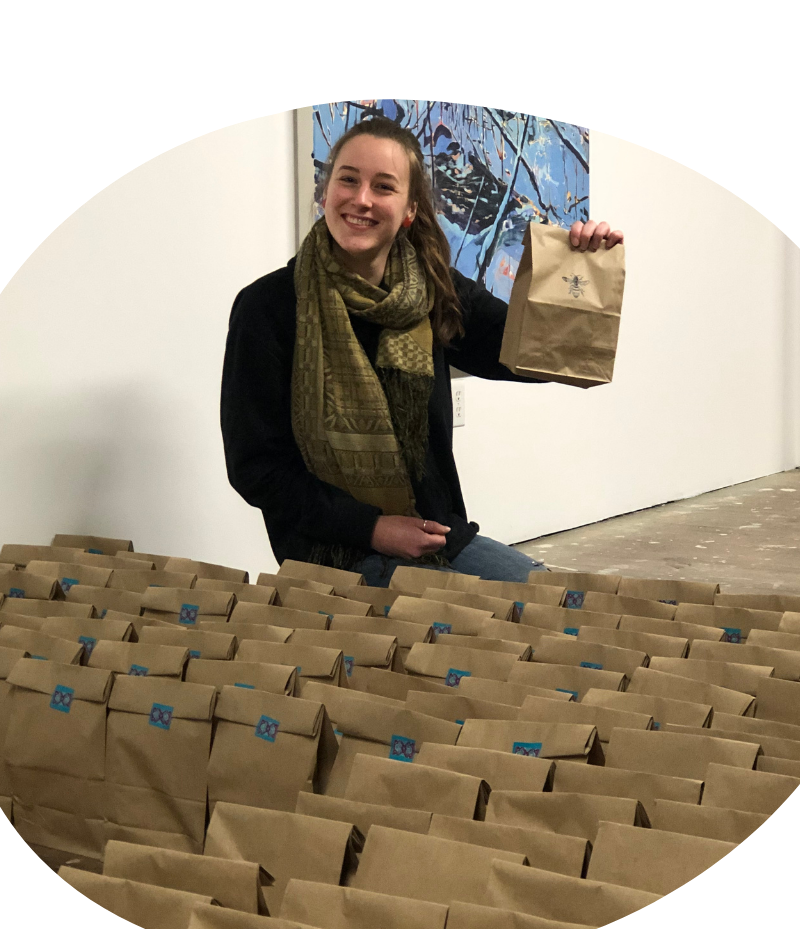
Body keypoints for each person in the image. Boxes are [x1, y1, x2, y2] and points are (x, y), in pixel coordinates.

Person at [221, 117, 623, 588]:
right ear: (325, 191)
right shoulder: (268, 307)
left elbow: (534, 355)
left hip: (439, 537)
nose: (362, 198)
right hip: (329, 554)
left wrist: (578, 270)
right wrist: (373, 528)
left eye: (384, 186)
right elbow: (257, 467)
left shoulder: (435, 291)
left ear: (409, 210)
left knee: (558, 604)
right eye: (347, 179)